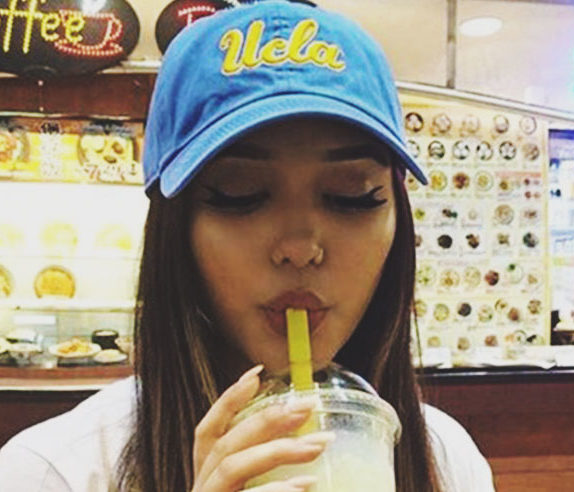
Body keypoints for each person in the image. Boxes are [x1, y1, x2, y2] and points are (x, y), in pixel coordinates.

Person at [0, 1, 495, 491]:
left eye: (353, 196)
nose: (299, 248)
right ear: (175, 229)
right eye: (239, 194)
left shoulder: (447, 461)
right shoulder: (51, 473)